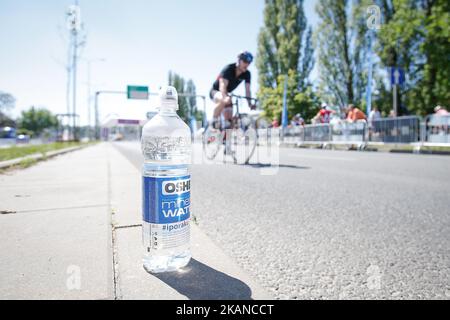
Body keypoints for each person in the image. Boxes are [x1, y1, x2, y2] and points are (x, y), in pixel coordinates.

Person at [210, 51, 256, 128]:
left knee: (229, 120)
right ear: (239, 60)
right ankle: (213, 122)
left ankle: (226, 132)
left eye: (249, 63)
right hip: (215, 91)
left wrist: (250, 103)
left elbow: (248, 90)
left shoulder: (247, 74)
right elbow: (222, 85)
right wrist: (225, 97)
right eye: (245, 61)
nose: (247, 64)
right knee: (223, 99)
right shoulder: (229, 68)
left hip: (227, 94)